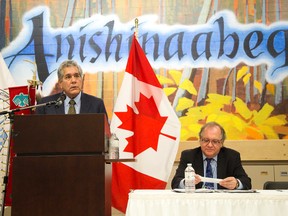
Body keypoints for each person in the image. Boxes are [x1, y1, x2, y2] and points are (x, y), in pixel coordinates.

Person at [171, 122, 252, 190]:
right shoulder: (189, 156)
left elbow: (246, 182)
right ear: (200, 140)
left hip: (222, 203)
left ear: (221, 143)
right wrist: (187, 182)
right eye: (206, 140)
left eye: (215, 141)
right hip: (197, 203)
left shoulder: (231, 156)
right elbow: (175, 183)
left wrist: (236, 184)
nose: (210, 145)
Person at [36, 60, 107, 116]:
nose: (73, 81)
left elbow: (105, 133)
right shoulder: (46, 105)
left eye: (77, 76)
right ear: (60, 83)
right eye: (68, 77)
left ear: (81, 79)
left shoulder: (97, 104)